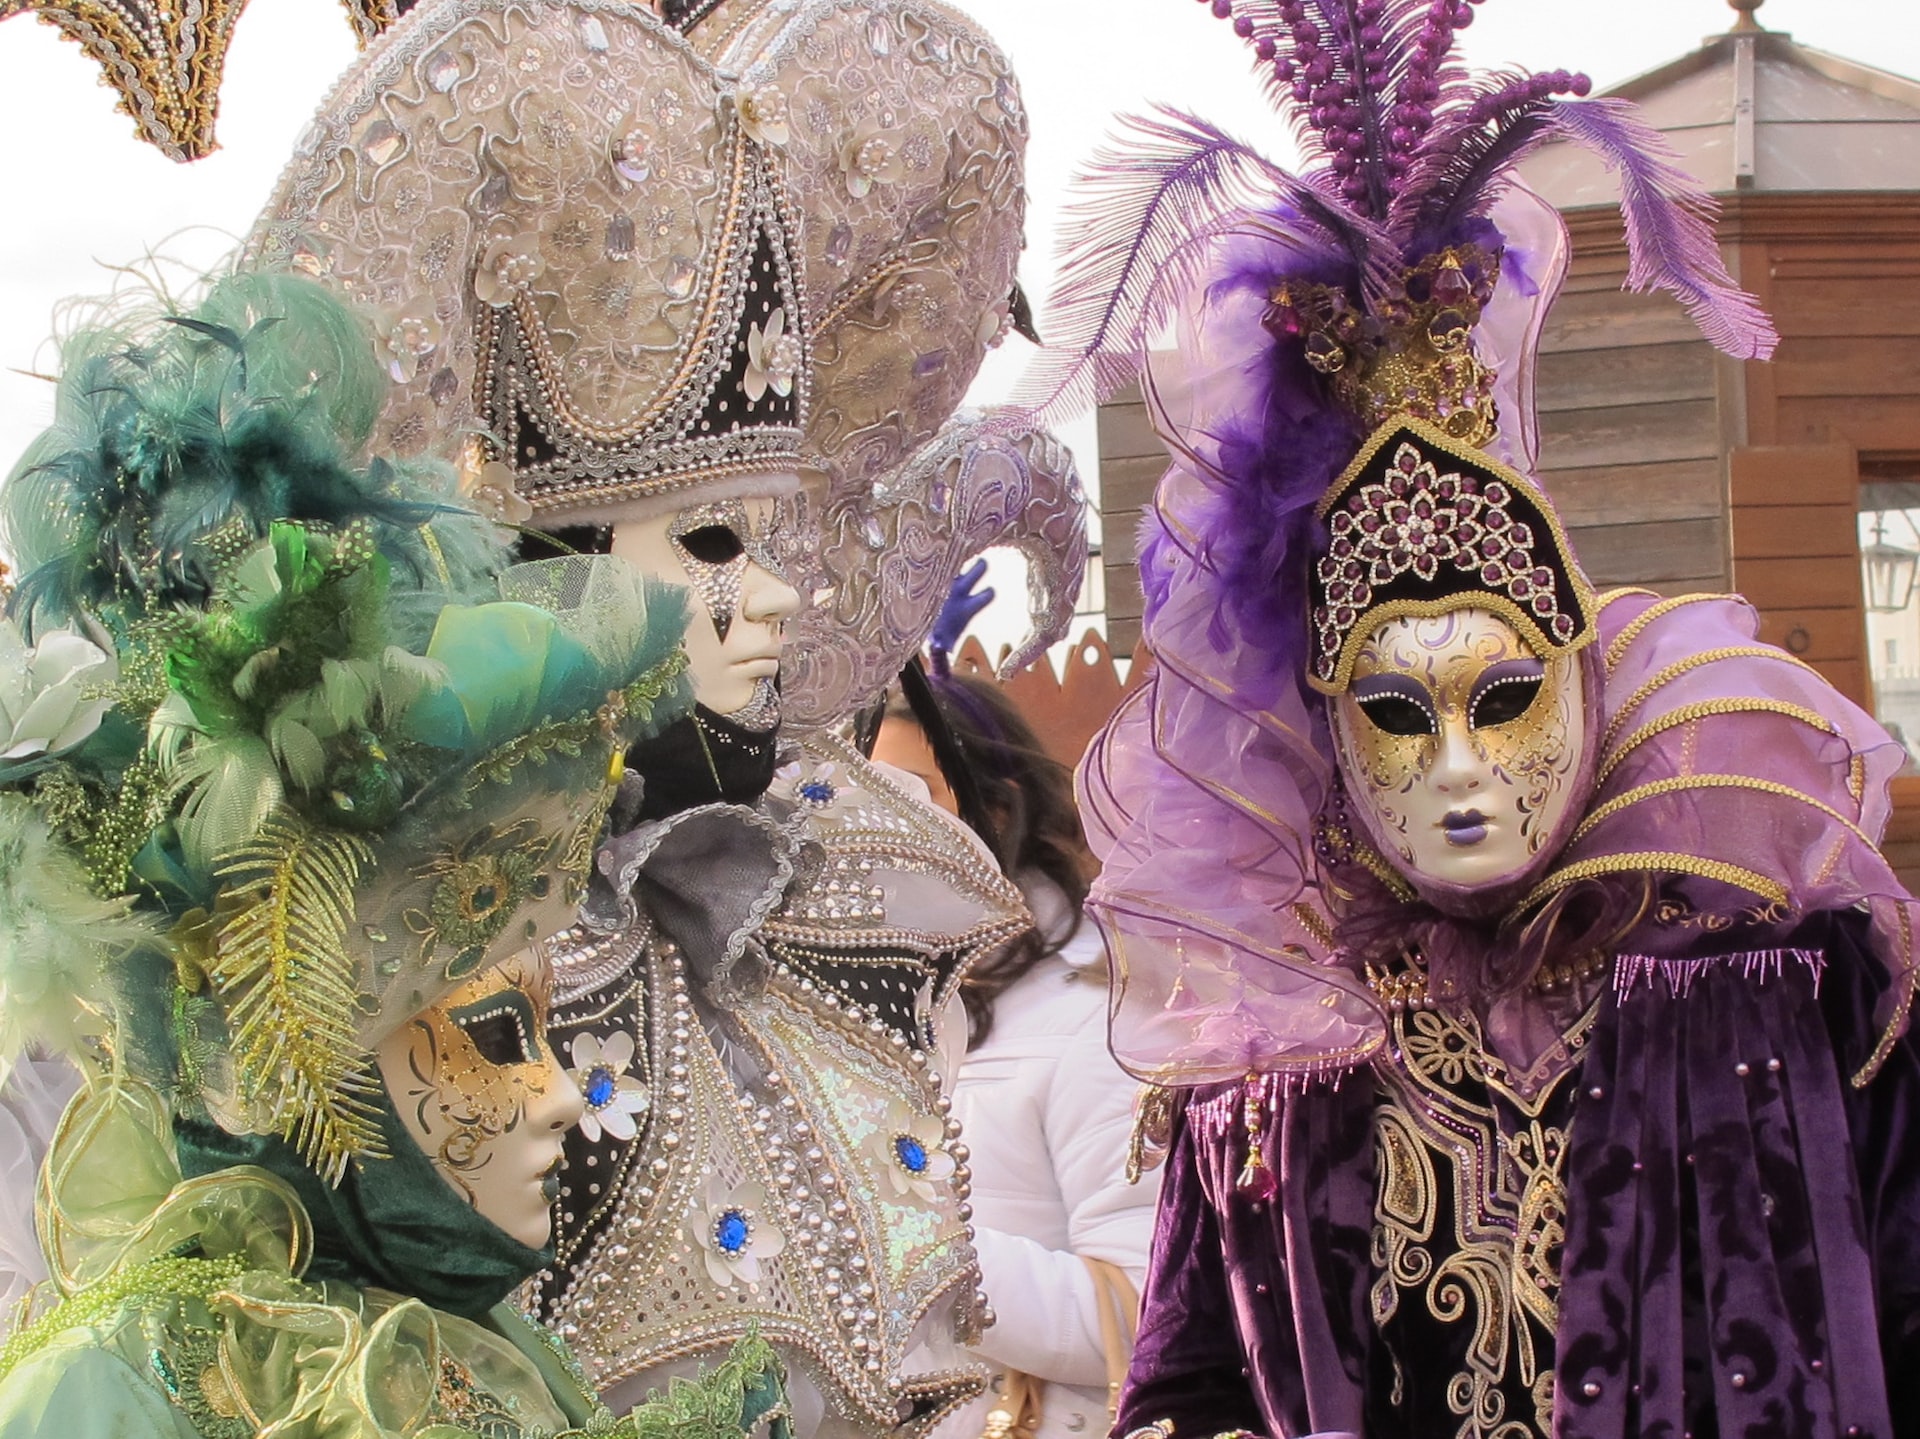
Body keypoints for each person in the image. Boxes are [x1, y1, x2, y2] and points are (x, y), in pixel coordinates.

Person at [1021, 3, 1920, 1437]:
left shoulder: (1783, 978)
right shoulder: (1278, 1050)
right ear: (1324, 722)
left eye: (1504, 697)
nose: (1456, 769)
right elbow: (1185, 1384)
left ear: (1584, 671)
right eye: (1392, 709)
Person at [244, 0, 1088, 1432]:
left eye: (765, 540)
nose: (771, 599)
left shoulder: (807, 897)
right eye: (705, 544)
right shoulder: (416, 942)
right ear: (550, 575)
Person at [0, 272, 785, 1435]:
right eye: (490, 1035)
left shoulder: (465, 1354)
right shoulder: (134, 1385)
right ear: (296, 1057)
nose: (562, 1094)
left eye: (534, 1030)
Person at [873, 665, 1159, 1439]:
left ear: (996, 810)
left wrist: (896, 1239)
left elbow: (1145, 1314)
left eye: (903, 798)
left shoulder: (1095, 1016)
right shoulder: (876, 999)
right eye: (852, 799)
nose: (867, 831)